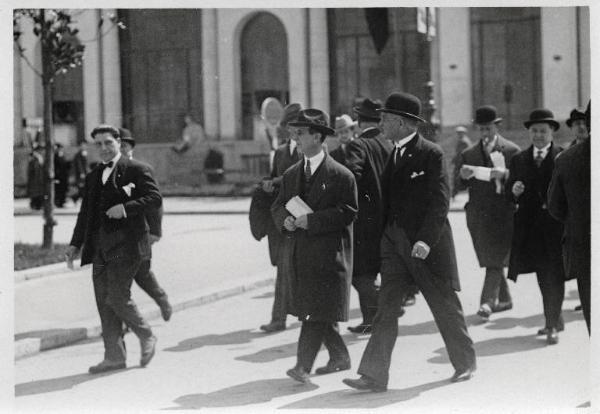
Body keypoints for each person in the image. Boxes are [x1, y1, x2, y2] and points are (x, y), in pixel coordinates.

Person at [343, 92, 476, 392]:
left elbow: (440, 203)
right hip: (394, 245)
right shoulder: (394, 153)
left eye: (386, 119)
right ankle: (374, 375)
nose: (381, 123)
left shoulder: (432, 154)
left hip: (424, 246)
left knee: (443, 305)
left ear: (402, 123)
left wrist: (426, 241)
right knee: (385, 309)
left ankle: (465, 363)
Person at [65, 124, 162, 374]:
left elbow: (154, 198)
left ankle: (146, 334)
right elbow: (85, 213)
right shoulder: (94, 176)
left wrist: (126, 208)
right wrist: (75, 244)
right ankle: (114, 356)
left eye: (108, 142)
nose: (104, 149)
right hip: (100, 249)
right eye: (99, 144)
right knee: (104, 302)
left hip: (127, 247)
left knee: (117, 296)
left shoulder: (137, 169)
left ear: (119, 142)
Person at [272, 108, 358, 383]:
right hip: (301, 256)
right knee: (317, 310)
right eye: (294, 133)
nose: (295, 138)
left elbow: (348, 212)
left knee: (314, 313)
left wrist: (313, 221)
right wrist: (285, 220)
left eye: (301, 133)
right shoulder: (291, 174)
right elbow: (277, 206)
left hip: (329, 257)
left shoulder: (341, 175)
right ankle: (340, 357)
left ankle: (302, 367)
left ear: (318, 137)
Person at [506, 109, 566, 345]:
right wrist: (514, 191)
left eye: (543, 131)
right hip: (531, 231)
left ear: (552, 132)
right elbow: (508, 195)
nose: (538, 135)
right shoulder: (519, 159)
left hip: (557, 229)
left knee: (556, 276)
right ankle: (553, 318)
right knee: (543, 276)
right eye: (534, 131)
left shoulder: (563, 157)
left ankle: (551, 324)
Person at [456, 105, 520, 321]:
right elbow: (456, 185)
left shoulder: (511, 151)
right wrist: (463, 177)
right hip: (479, 216)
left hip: (504, 214)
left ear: (497, 126)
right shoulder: (468, 154)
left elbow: (522, 181)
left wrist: (507, 175)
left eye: (488, 129)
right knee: (490, 258)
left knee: (495, 259)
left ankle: (486, 302)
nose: (484, 134)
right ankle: (506, 299)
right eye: (481, 129)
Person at [344, 100, 394, 334]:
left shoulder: (358, 145)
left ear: (360, 122)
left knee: (359, 273)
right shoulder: (389, 144)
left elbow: (351, 177)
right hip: (388, 220)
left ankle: (377, 314)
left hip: (364, 222)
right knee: (373, 269)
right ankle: (370, 319)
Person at [256, 103, 302, 333]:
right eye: (288, 126)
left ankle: (308, 314)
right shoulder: (282, 152)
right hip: (284, 220)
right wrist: (268, 186)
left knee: (305, 269)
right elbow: (277, 180)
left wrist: (275, 182)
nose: (290, 130)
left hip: (306, 217)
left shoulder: (310, 151)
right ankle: (279, 318)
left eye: (295, 126)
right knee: (283, 268)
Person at [119, 128, 172, 322]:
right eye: (118, 146)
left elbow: (155, 202)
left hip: (140, 233)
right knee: (119, 280)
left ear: (131, 148)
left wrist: (156, 231)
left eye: (124, 146)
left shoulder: (141, 169)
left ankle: (161, 298)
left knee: (142, 274)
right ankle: (124, 321)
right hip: (118, 236)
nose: (120, 150)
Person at [547, 101, 590, 334]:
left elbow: (556, 207)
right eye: (577, 124)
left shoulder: (566, 158)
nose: (581, 127)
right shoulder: (566, 155)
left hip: (583, 243)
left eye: (584, 122)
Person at [451, 125, 473, 198]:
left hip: (462, 163)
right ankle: (454, 193)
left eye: (460, 133)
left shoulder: (464, 142)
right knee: (456, 178)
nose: (459, 134)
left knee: (458, 178)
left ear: (464, 133)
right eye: (458, 133)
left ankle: (454, 193)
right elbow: (457, 152)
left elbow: (464, 153)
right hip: (459, 162)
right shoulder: (461, 141)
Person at [27, 144, 45, 210]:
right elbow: (35, 170)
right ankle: (35, 205)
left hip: (38, 179)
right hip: (35, 180)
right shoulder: (35, 158)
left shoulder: (39, 158)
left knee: (38, 193)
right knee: (36, 193)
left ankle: (37, 204)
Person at [54, 143, 70, 208]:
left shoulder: (62, 156)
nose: (60, 150)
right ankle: (58, 202)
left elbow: (64, 165)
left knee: (63, 189)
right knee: (58, 190)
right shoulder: (55, 156)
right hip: (58, 176)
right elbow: (55, 167)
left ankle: (62, 201)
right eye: (59, 148)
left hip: (64, 176)